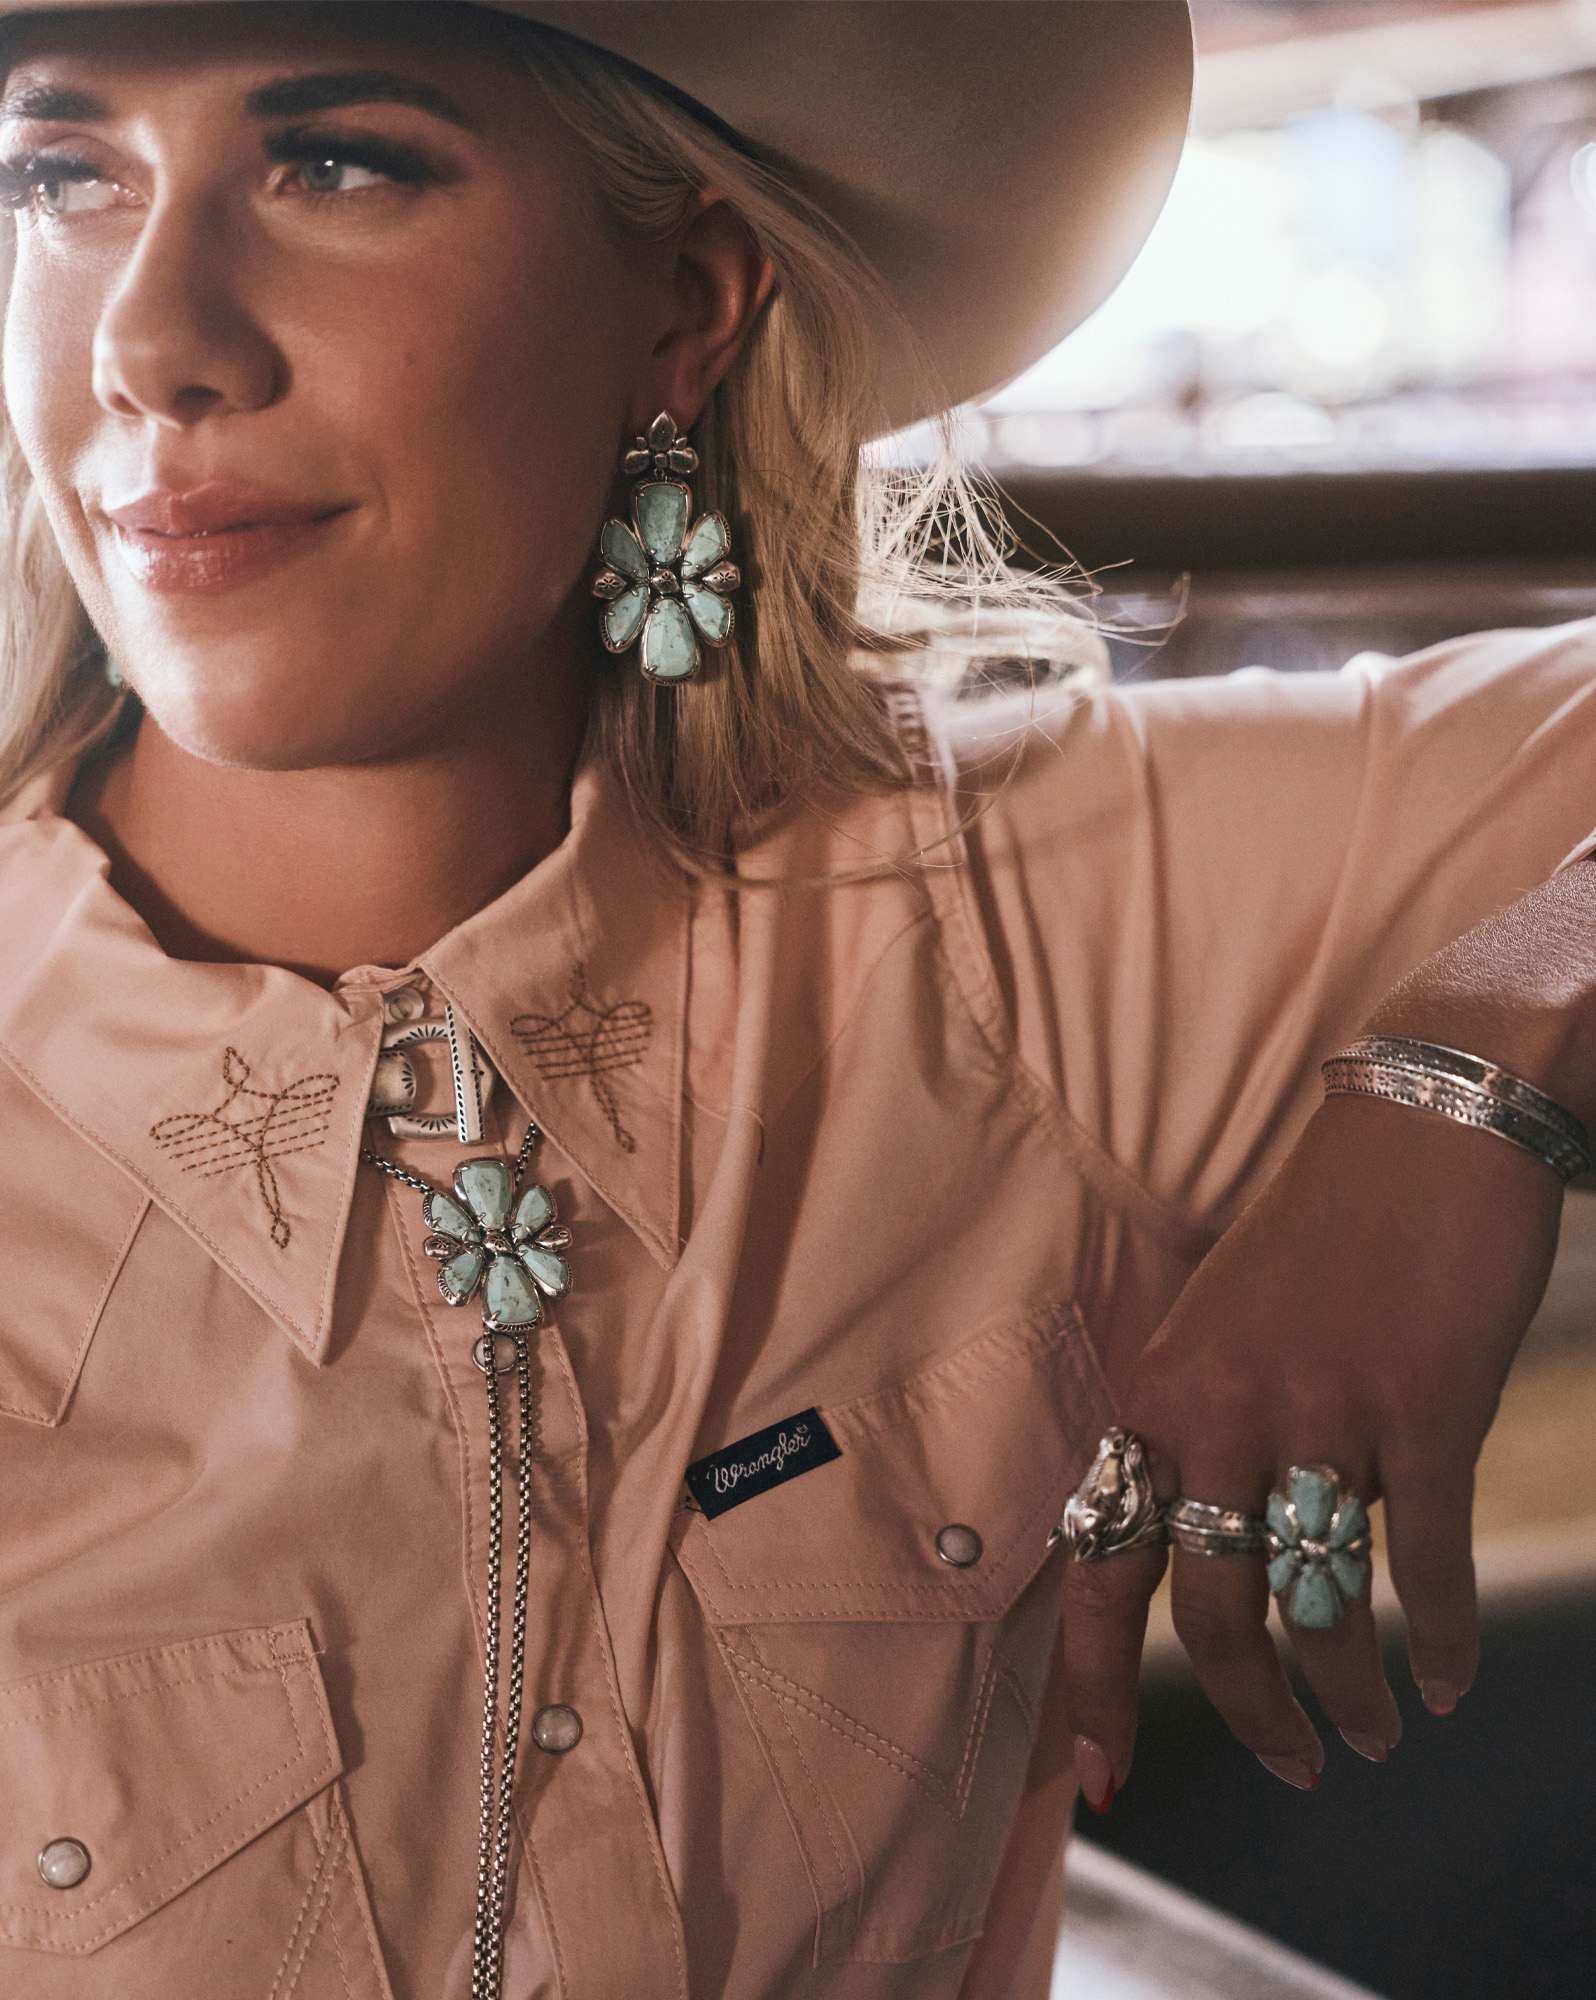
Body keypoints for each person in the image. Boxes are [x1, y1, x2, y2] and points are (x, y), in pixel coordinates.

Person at [0, 4, 1593, 1998]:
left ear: (684, 304)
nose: (153, 341)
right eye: (62, 177)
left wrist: (1480, 1053)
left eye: (337, 163)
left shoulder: (1026, 925)